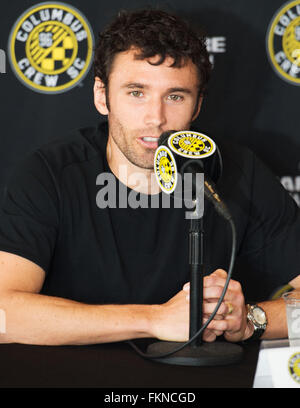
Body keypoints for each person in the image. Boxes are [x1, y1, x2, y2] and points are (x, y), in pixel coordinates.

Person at [0, 8, 299, 347]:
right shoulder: (51, 173)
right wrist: (153, 319)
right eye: (136, 92)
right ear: (102, 95)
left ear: (197, 105)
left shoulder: (237, 171)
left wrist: (250, 320)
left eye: (175, 96)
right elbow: (4, 314)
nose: (155, 118)